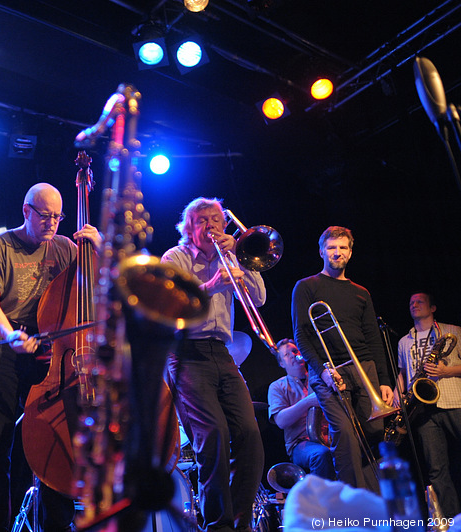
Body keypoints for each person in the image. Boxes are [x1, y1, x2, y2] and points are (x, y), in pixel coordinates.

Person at [0, 182, 100, 532]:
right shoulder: (0, 246)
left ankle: (55, 526)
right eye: (44, 215)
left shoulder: (64, 247)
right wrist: (9, 333)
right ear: (26, 210)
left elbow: (101, 282)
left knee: (51, 434)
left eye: (58, 217)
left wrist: (99, 249)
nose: (51, 223)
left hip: (50, 348)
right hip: (2, 342)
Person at [161, 197, 265, 532]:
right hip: (186, 354)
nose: (212, 226)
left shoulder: (232, 256)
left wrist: (241, 262)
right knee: (213, 437)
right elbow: (173, 309)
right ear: (187, 227)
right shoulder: (174, 258)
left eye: (217, 220)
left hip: (222, 352)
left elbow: (259, 299)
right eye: (203, 220)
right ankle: (218, 526)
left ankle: (241, 522)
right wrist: (209, 286)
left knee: (249, 435)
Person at [291, 226, 394, 492]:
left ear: (350, 252)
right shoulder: (306, 287)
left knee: (373, 433)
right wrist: (322, 371)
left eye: (343, 248)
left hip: (364, 368)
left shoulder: (361, 292)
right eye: (332, 247)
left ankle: (375, 498)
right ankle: (354, 505)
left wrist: (383, 380)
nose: (338, 253)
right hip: (327, 370)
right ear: (322, 251)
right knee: (345, 437)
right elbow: (301, 336)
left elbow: (372, 338)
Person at [395, 291, 461, 517]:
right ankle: (453, 521)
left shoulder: (453, 331)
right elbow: (403, 373)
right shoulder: (404, 341)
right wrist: (397, 392)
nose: (414, 305)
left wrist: (446, 370)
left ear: (432, 307)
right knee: (436, 470)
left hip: (454, 402)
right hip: (421, 409)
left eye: (419, 301)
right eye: (411, 302)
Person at [267, 339, 335, 480]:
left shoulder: (320, 377)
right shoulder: (277, 386)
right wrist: (308, 402)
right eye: (286, 355)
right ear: (281, 363)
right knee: (320, 454)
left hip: (331, 435)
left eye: (295, 351)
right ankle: (322, 501)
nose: (292, 355)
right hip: (300, 444)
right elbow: (280, 421)